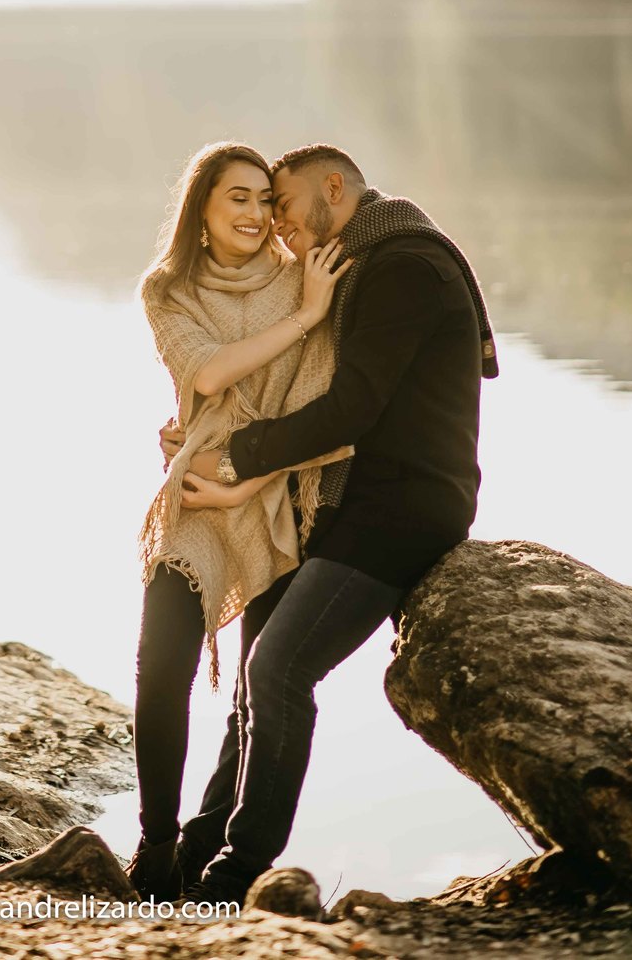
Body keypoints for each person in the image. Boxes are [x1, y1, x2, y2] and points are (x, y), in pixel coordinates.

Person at [163, 143, 496, 907]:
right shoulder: (359, 263)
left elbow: (351, 407)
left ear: (334, 189)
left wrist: (235, 459)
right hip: (345, 500)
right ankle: (195, 855)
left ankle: (236, 878)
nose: (276, 224)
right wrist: (205, 437)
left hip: (405, 508)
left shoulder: (403, 267)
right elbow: (287, 380)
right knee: (254, 682)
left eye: (282, 204)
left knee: (279, 671)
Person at [127, 140, 352, 900]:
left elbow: (332, 412)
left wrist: (315, 306)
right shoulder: (167, 291)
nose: (258, 213)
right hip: (197, 490)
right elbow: (209, 371)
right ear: (202, 211)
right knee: (162, 670)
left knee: (259, 691)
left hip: (281, 493)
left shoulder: (305, 280)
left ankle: (208, 847)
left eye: (265, 198)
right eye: (240, 198)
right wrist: (306, 318)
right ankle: (155, 847)